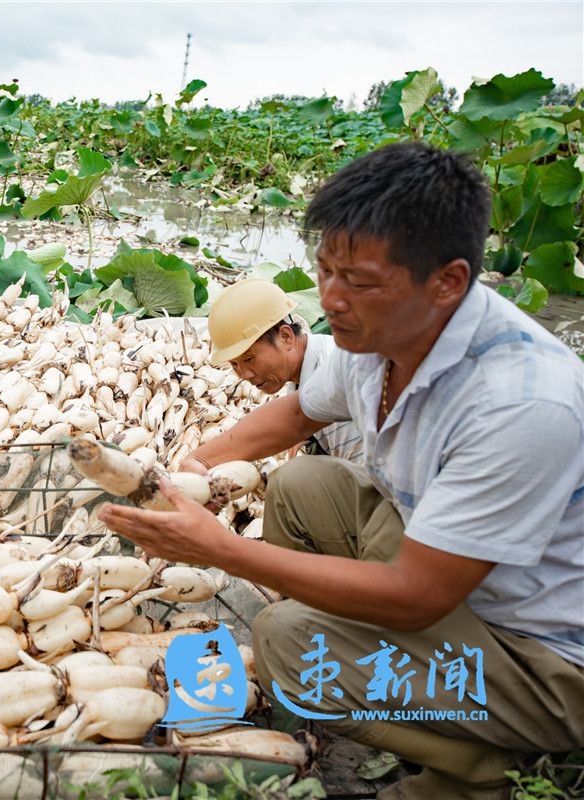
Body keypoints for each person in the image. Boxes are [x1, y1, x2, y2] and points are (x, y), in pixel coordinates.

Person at [99, 142, 583, 799]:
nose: (331, 299)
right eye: (325, 271)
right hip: (468, 579)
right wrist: (190, 471)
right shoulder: (377, 338)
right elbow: (294, 417)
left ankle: (477, 767)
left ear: (447, 282)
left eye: (357, 281)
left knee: (288, 643)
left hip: (542, 658)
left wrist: (224, 550)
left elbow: (419, 593)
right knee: (301, 487)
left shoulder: (521, 401)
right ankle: (388, 683)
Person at [208, 279, 363, 463]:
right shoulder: (305, 371)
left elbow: (368, 480)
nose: (245, 375)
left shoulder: (329, 375)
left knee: (288, 479)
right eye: (234, 364)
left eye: (249, 359)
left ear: (285, 337)